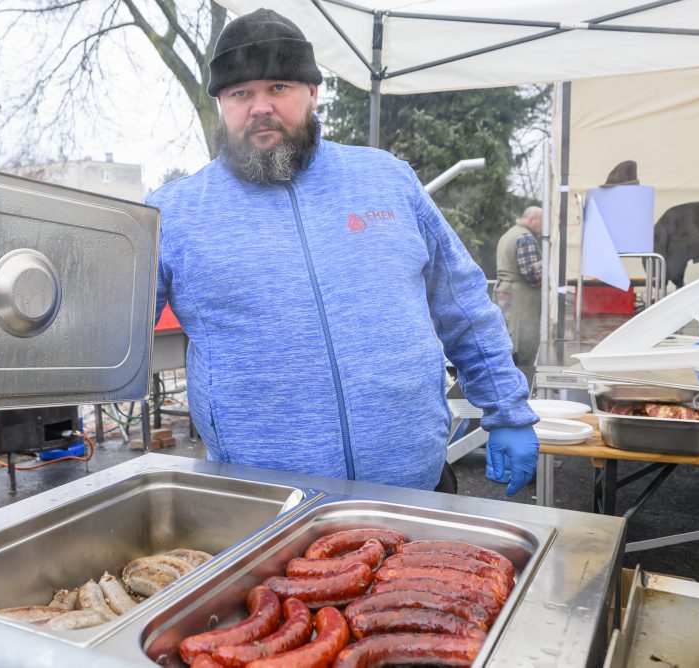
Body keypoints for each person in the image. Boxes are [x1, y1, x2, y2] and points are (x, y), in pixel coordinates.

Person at [147, 8, 538, 496]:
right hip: (263, 507)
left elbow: (461, 302)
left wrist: (507, 408)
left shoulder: (387, 180)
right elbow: (112, 334)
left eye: (279, 88)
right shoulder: (175, 213)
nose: (259, 107)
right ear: (222, 103)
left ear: (312, 92)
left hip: (415, 486)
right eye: (240, 92)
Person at [494, 206, 544, 366]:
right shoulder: (526, 237)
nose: (542, 227)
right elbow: (531, 273)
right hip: (520, 297)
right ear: (532, 219)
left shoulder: (508, 234)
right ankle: (522, 382)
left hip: (503, 291)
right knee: (523, 343)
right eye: (541, 222)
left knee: (504, 337)